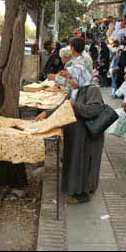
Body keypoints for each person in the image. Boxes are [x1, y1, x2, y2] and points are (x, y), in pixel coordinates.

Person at [36, 71, 104, 204]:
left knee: (83, 164)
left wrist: (75, 106)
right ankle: (74, 189)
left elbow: (94, 110)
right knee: (74, 162)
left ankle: (82, 195)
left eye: (72, 78)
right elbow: (63, 106)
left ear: (81, 76)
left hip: (86, 136)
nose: (70, 81)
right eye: (69, 78)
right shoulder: (75, 91)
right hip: (76, 134)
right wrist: (46, 113)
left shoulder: (92, 90)